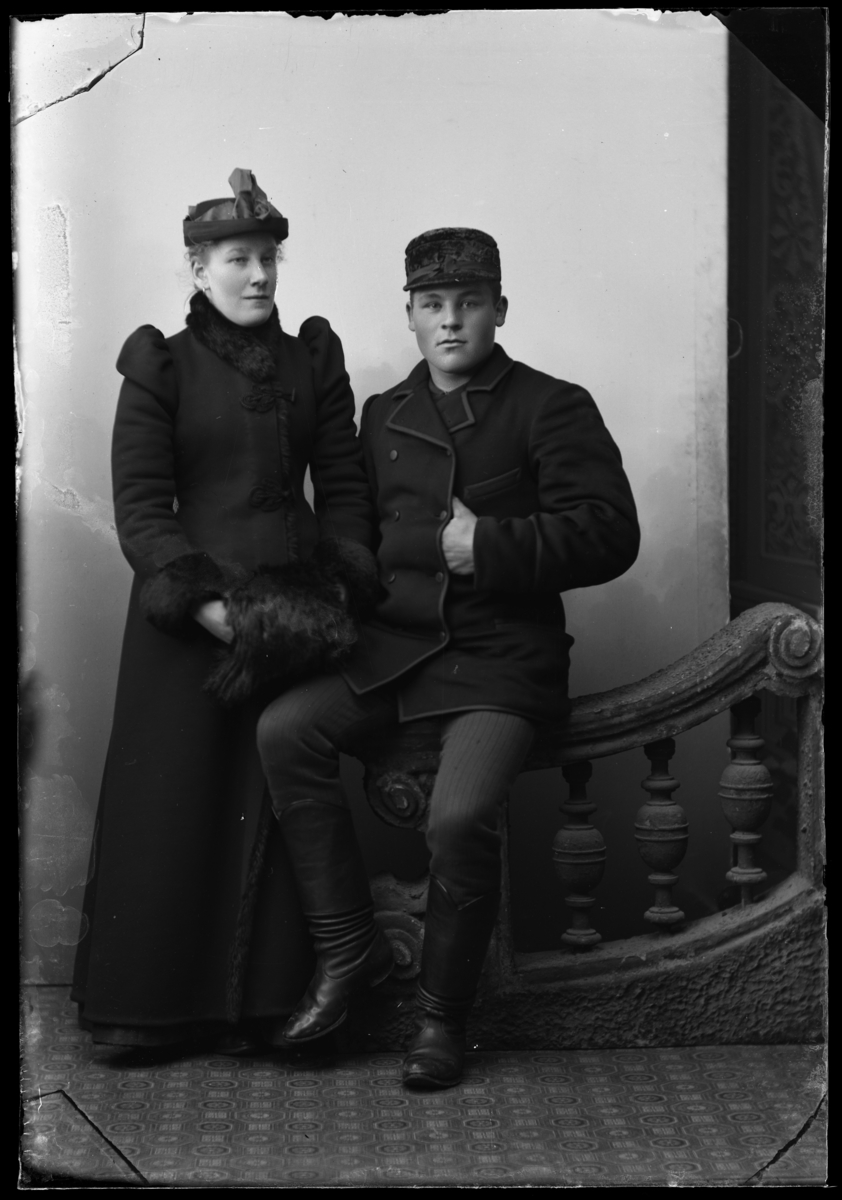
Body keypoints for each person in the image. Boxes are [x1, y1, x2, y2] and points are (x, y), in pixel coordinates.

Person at [256, 226, 641, 1088]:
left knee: (459, 817)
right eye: (432, 305)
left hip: (502, 658)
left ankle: (442, 1018)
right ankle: (347, 950)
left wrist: (488, 545)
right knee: (285, 730)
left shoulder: (552, 404)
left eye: (469, 303)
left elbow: (613, 534)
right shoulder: (384, 412)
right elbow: (357, 532)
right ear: (411, 315)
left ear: (500, 309)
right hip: (396, 649)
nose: (451, 321)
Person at [71, 170, 381, 1051]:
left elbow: (346, 489)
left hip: (295, 620)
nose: (258, 275)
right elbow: (141, 506)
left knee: (275, 801)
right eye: (238, 259)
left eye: (268, 258)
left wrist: (334, 587)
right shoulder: (161, 364)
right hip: (187, 628)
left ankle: (264, 1005)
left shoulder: (312, 360)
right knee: (174, 801)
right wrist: (203, 602)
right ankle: (147, 1012)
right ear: (198, 268)